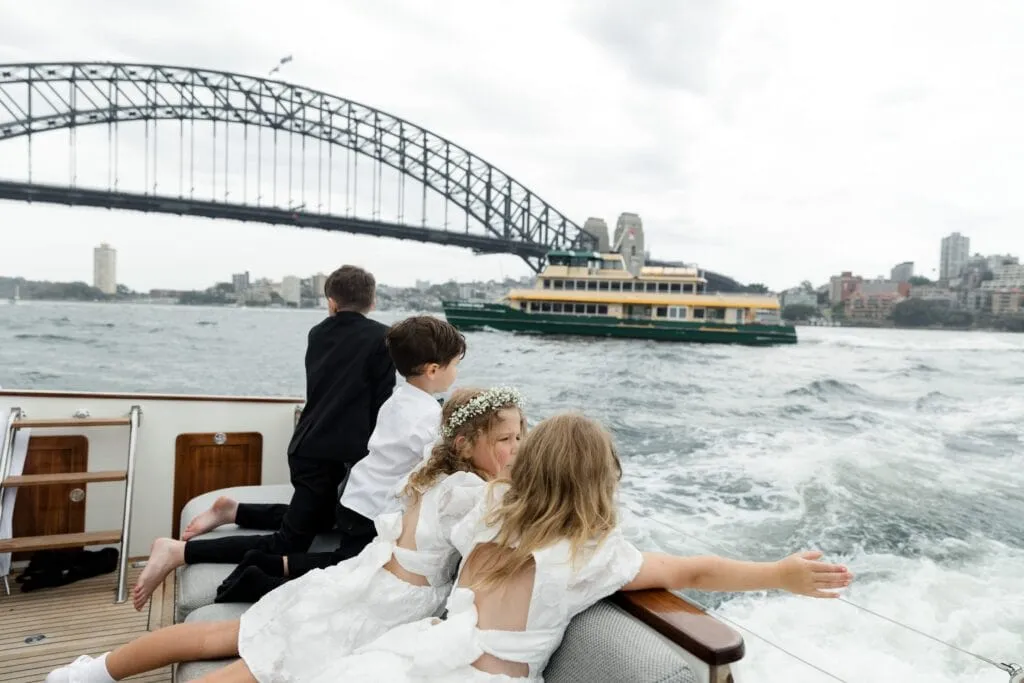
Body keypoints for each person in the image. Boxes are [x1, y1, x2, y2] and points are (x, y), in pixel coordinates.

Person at [45, 387, 526, 683]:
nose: (518, 448)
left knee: (219, 637)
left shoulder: (431, 473)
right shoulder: (470, 493)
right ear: (464, 444)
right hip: (380, 609)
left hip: (355, 581)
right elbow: (496, 543)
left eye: (521, 437)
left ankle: (89, 673)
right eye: (506, 440)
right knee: (256, 669)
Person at [329, 413, 854, 682]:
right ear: (604, 480)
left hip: (425, 655)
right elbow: (693, 572)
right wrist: (778, 575)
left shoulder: (488, 509)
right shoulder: (589, 556)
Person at [131, 265, 397, 610]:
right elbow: (382, 404)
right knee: (289, 543)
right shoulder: (383, 339)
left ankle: (235, 511)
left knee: (324, 517)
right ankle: (179, 551)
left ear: (331, 302)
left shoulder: (318, 333)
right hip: (334, 457)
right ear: (372, 302)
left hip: (307, 447)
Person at [214, 315, 467, 603]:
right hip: (374, 510)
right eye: (454, 365)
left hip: (356, 498)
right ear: (433, 370)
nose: (456, 372)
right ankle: (262, 575)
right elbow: (442, 463)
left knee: (346, 561)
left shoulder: (398, 399)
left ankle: (268, 564)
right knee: (349, 569)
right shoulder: (427, 417)